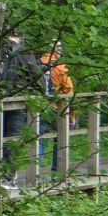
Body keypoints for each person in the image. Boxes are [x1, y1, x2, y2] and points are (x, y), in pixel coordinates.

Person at [0, 34, 44, 188]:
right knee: (10, 139)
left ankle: (3, 177)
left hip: (1, 102)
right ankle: (6, 178)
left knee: (3, 139)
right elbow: (38, 78)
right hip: (14, 102)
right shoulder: (24, 53)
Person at [40, 42, 74, 173]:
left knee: (38, 138)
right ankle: (57, 172)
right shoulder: (61, 68)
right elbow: (69, 91)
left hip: (39, 108)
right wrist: (72, 114)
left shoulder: (36, 64)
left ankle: (33, 171)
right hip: (57, 108)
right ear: (58, 51)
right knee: (60, 139)